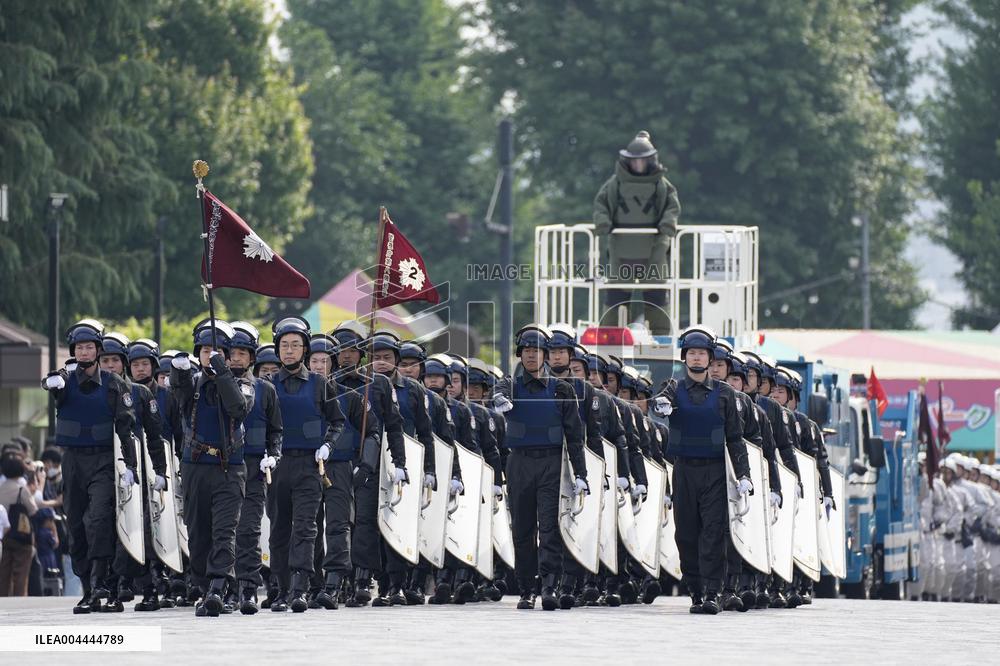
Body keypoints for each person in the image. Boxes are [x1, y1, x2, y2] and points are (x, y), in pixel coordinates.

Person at [653, 326, 751, 615]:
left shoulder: (725, 394)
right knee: (685, 534)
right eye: (692, 353)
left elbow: (735, 438)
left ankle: (712, 592)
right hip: (684, 470)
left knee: (713, 533)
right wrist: (661, 407)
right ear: (684, 357)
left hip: (715, 472)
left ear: (710, 358)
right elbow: (661, 402)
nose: (696, 358)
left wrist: (743, 474)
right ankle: (695, 590)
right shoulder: (674, 388)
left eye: (702, 353)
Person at [491, 325, 589, 611]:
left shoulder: (561, 389)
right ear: (520, 354)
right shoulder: (511, 386)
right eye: (526, 351)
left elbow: (575, 436)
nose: (531, 355)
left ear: (545, 354)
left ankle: (549, 585)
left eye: (537, 351)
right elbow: (499, 390)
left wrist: (581, 474)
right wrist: (499, 399)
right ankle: (526, 588)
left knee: (549, 527)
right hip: (519, 462)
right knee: (522, 529)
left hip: (551, 463)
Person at [42, 319, 136, 613]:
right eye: (79, 348)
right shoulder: (64, 381)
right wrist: (54, 380)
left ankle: (99, 583)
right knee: (75, 525)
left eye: (89, 347)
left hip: (103, 460)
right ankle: (86, 587)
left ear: (98, 350)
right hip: (73, 461)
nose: (84, 352)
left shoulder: (114, 384)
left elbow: (126, 428)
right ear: (74, 351)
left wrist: (131, 466)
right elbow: (50, 384)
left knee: (98, 519)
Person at [170, 319, 254, 617]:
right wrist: (178, 372)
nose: (210, 355)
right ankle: (206, 588)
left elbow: (238, 408)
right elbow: (178, 400)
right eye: (205, 350)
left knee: (224, 531)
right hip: (195, 467)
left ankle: (219, 585)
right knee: (198, 533)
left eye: (216, 351)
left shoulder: (243, 384)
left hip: (228, 468)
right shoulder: (193, 383)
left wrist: (222, 372)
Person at [266, 317, 347, 613]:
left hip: (309, 466)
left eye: (295, 345)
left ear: (305, 349)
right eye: (284, 345)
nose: (289, 350)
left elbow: (337, 421)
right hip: (277, 465)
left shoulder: (319, 384)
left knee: (305, 527)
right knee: (279, 530)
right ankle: (281, 589)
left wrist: (328, 445)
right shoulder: (267, 385)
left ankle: (300, 589)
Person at [593, 131, 680, 334]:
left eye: (642, 160)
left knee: (656, 296)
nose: (638, 164)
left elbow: (672, 206)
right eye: (635, 161)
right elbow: (600, 204)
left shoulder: (661, 184)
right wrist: (602, 222)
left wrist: (668, 223)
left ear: (651, 160)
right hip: (621, 248)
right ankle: (610, 335)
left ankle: (661, 338)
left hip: (654, 248)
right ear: (628, 161)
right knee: (616, 296)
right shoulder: (615, 183)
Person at [103, 333, 166, 612]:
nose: (110, 366)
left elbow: (155, 436)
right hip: (104, 468)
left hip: (136, 469)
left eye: (115, 360)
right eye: (105, 361)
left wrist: (160, 471)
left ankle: (150, 588)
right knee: (107, 530)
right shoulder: (94, 392)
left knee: (141, 529)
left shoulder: (140, 394)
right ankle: (114, 588)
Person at [227, 322, 282, 615]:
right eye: (231, 353)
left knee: (249, 529)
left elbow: (275, 430)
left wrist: (274, 454)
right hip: (222, 465)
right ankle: (222, 587)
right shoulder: (212, 386)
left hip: (253, 466)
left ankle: (248, 587)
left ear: (252, 357)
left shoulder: (266, 390)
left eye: (242, 353)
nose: (236, 359)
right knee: (224, 531)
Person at [0, 451, 39, 596]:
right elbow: (33, 510)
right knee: (21, 572)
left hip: (4, 535)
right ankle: (19, 597)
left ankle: (3, 597)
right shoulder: (22, 490)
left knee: (3, 571)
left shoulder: (1, 488)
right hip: (21, 535)